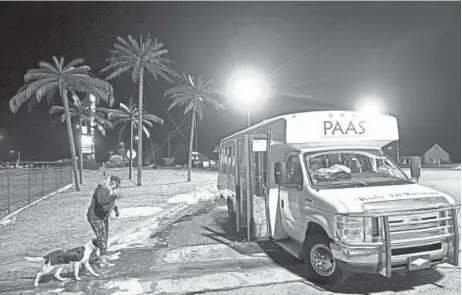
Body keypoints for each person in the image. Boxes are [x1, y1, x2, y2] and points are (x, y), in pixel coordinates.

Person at [87, 175, 121, 267]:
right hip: (95, 217)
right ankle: (99, 259)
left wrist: (116, 210)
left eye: (116, 186)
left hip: (103, 217)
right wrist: (113, 197)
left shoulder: (109, 190)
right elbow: (102, 201)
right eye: (114, 184)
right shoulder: (101, 189)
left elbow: (111, 203)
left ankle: (101, 256)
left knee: (104, 238)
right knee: (101, 238)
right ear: (110, 182)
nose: (115, 187)